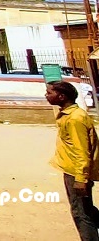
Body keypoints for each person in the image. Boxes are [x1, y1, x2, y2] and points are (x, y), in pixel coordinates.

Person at [47, 80, 99, 240]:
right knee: (86, 209)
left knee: (80, 213)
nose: (46, 96)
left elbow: (81, 151)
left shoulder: (75, 119)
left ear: (61, 96)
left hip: (76, 172)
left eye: (50, 93)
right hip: (72, 169)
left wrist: (81, 179)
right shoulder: (68, 115)